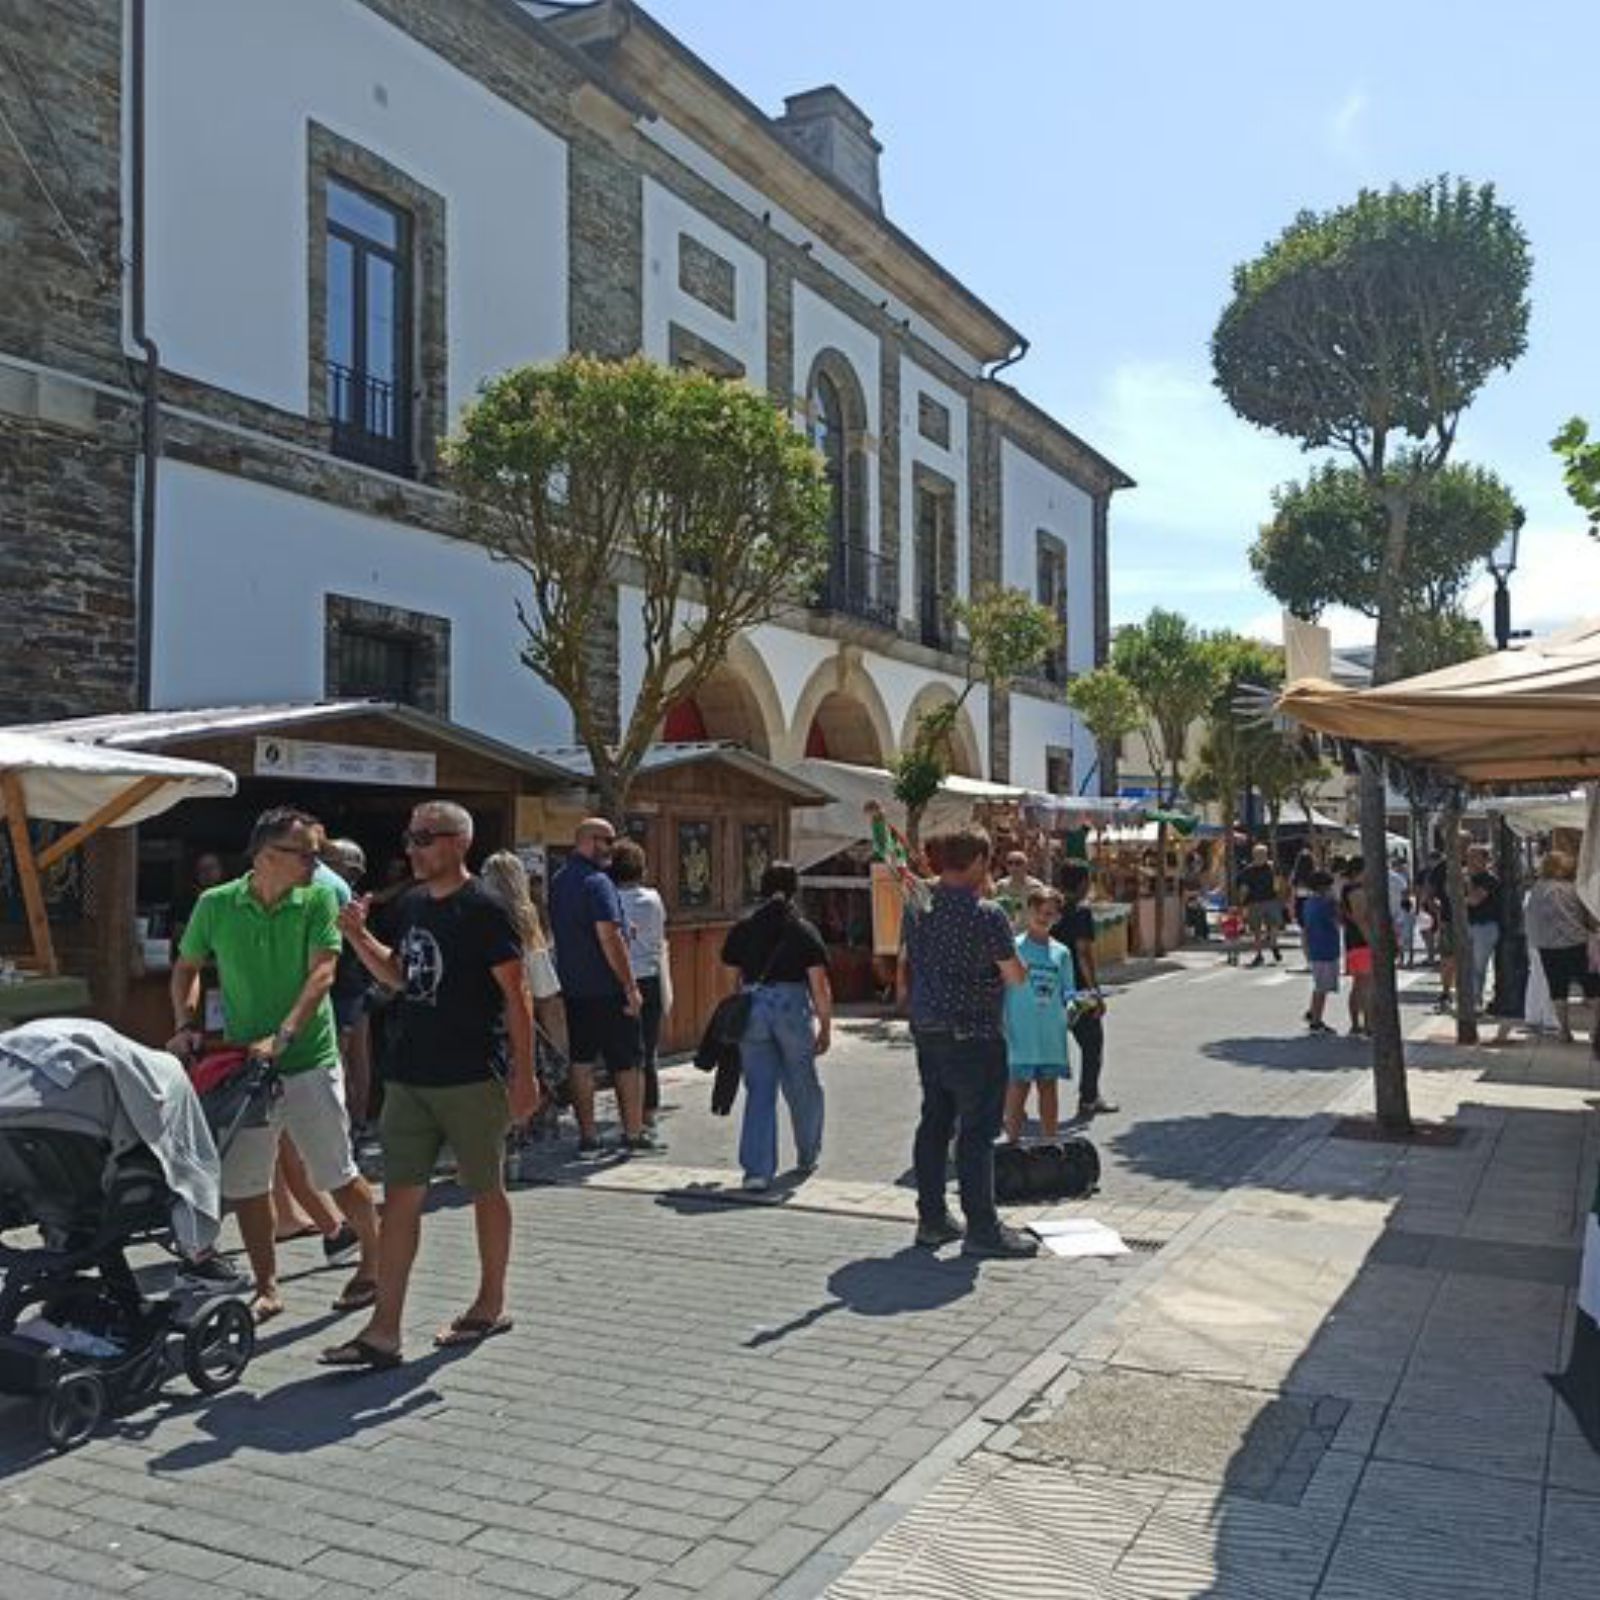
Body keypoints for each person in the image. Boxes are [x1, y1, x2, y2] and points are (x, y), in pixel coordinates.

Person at [322, 801, 539, 1368]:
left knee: (484, 1189)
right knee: (399, 1201)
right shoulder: (414, 904)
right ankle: (384, 1330)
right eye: (410, 837)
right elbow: (401, 972)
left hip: (471, 1075)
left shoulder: (485, 910)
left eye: (425, 838)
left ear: (458, 843)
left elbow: (517, 997)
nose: (412, 849)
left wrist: (526, 1076)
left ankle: (490, 1301)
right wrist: (359, 937)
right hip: (410, 1075)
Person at [168, 807, 380, 1325]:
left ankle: (375, 1263)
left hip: (308, 1060)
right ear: (266, 856)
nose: (317, 863)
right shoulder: (216, 905)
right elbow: (187, 967)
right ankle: (267, 1287)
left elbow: (323, 974)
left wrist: (284, 1034)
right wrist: (185, 1021)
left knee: (336, 1172)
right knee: (246, 1183)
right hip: (246, 1067)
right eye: (307, 853)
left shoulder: (318, 898)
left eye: (318, 853)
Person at [899, 825, 1037, 1259]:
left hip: (929, 1028)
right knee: (977, 1133)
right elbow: (1014, 975)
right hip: (974, 1033)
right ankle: (982, 1227)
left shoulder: (918, 904)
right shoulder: (986, 913)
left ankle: (932, 1218)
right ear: (976, 862)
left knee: (935, 1121)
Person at [721, 861, 832, 1191]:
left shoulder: (744, 928)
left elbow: (733, 979)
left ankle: (757, 1171)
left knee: (759, 1090)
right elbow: (818, 984)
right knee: (803, 1085)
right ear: (794, 888)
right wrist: (825, 1025)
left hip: (753, 1006)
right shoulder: (802, 929)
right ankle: (807, 1153)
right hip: (791, 1008)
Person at [550, 818, 651, 1154]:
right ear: (590, 841)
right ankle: (634, 1132)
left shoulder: (560, 880)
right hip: (607, 987)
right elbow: (608, 936)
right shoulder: (598, 882)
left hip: (575, 987)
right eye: (608, 841)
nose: (612, 849)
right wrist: (629, 986)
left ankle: (588, 1136)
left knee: (581, 1060)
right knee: (626, 1061)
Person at [1002, 887, 1077, 1143]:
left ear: (1057, 917)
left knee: (1048, 1087)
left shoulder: (1062, 953)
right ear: (1029, 911)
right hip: (1019, 1031)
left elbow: (1068, 990)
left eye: (1051, 914)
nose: (1044, 918)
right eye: (1040, 912)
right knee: (1017, 1088)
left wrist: (1073, 1007)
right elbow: (1002, 988)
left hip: (1050, 1032)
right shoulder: (1012, 947)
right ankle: (1010, 1143)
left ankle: (1049, 1142)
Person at [1051, 861, 1119, 1119]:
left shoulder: (1050, 909)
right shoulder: (1081, 912)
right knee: (1092, 1045)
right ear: (1082, 883)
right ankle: (1089, 1098)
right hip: (1078, 989)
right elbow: (1083, 953)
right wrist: (1095, 992)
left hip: (1051, 987)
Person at [610, 841, 668, 1136]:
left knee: (625, 1052)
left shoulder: (609, 899)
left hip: (620, 978)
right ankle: (649, 1113)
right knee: (649, 1048)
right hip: (650, 975)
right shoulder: (654, 899)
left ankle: (629, 1118)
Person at [1525, 850, 1599, 1051]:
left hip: (1547, 946)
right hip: (1577, 943)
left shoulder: (1537, 889)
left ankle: (1564, 1030)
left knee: (1558, 988)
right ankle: (1596, 1030)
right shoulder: (1574, 889)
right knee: (1592, 987)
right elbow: (1590, 917)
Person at [1301, 870, 1341, 1034]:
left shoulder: (1309, 902)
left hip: (1315, 946)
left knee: (1320, 984)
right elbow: (1337, 919)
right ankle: (1316, 1021)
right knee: (1322, 987)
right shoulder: (1326, 904)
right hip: (1326, 947)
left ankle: (1313, 1012)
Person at [1465, 843, 1503, 1012]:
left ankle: (1475, 1002)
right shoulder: (1465, 877)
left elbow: (1474, 900)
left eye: (1475, 857)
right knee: (1468, 966)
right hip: (1468, 925)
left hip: (1484, 927)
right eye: (1468, 856)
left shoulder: (1489, 880)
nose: (1470, 861)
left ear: (1485, 860)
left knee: (1478, 966)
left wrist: (1466, 885)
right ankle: (1470, 1000)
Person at [1340, 854, 1372, 1036]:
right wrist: (1372, 941)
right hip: (1361, 941)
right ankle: (1368, 1024)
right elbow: (1360, 919)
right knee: (1367, 984)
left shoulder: (1347, 888)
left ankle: (1356, 1023)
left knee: (1358, 984)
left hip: (1352, 940)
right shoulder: (1357, 891)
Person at [1239, 844, 1283, 966]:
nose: (1260, 857)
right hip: (1256, 902)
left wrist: (1280, 896)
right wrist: (1242, 903)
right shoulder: (1249, 870)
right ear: (1253, 856)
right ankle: (1260, 953)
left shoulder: (1271, 867)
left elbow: (1278, 883)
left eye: (1262, 854)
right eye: (1258, 855)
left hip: (1268, 900)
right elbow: (1244, 888)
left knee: (1273, 925)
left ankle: (1272, 944)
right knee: (1257, 930)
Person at [994, 850, 1045, 932]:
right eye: (1010, 863)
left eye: (1018, 863)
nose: (1014, 867)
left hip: (1028, 934)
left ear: (1027, 865)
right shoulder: (1000, 886)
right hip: (1005, 933)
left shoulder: (1036, 887)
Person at [1289, 848, 1316, 927]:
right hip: (1313, 901)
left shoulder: (1295, 876)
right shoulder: (1315, 874)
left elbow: (1293, 893)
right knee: (1312, 927)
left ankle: (1304, 939)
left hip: (1300, 902)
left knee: (1303, 927)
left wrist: (1291, 908)